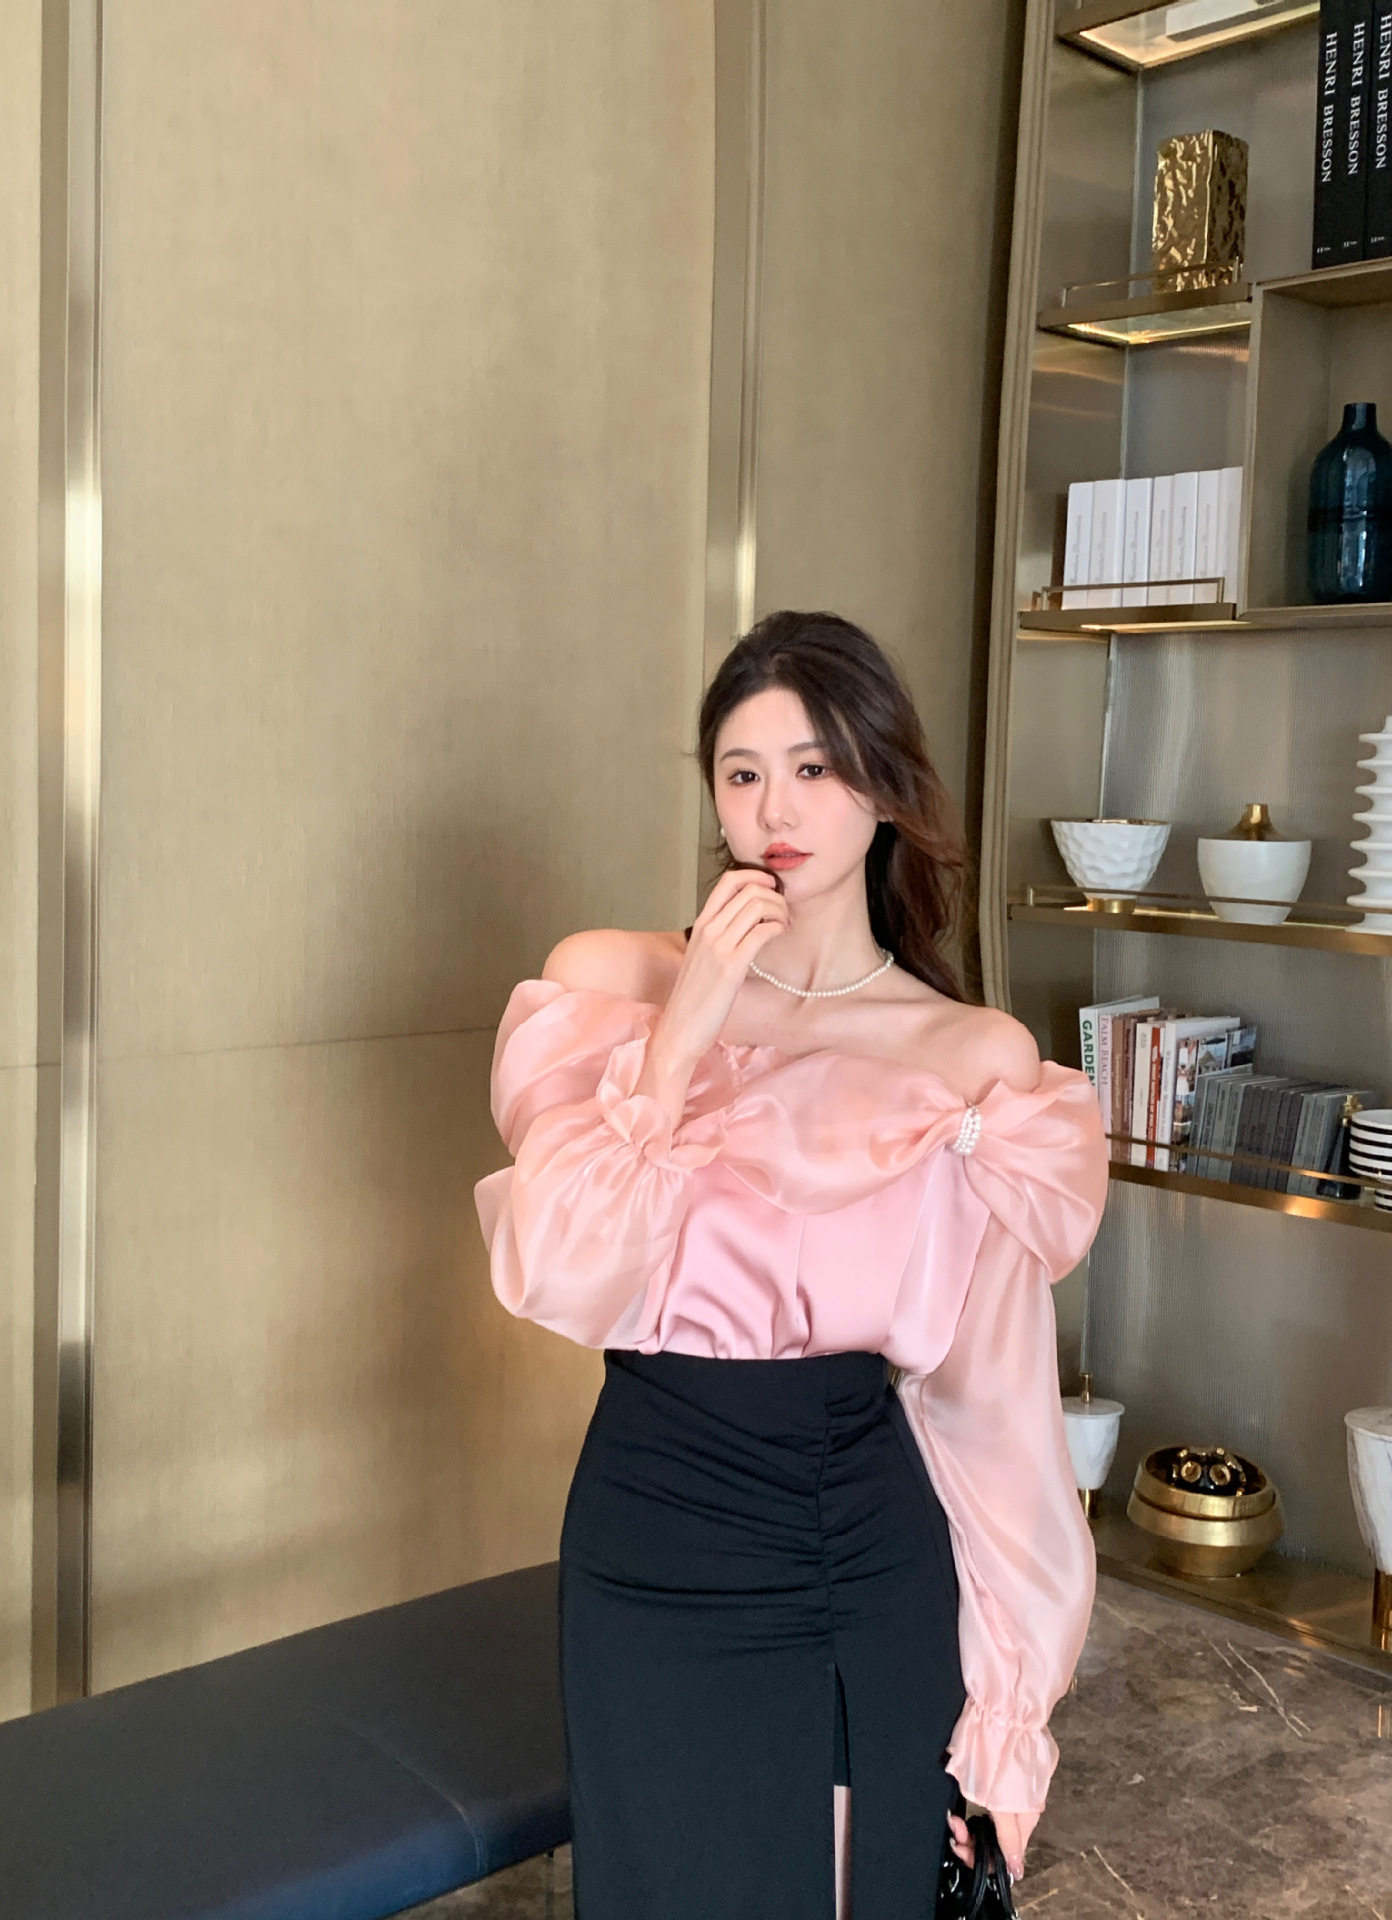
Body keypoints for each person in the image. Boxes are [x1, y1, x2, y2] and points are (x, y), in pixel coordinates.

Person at [473, 609, 1108, 1919]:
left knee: (856, 1885)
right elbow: (566, 1268)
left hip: (860, 1542)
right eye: (743, 771)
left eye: (816, 767)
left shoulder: (971, 1057)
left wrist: (1009, 1716)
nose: (778, 808)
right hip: (651, 1532)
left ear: (882, 783)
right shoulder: (610, 984)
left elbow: (993, 1409)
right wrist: (689, 1021)